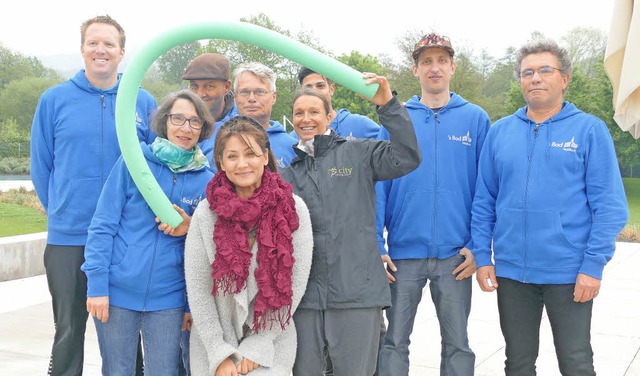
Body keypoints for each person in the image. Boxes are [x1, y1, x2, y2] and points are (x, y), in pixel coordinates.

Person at [471, 38, 629, 376]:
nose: (536, 78)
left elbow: (611, 206)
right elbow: (484, 202)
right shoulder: (500, 132)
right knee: (517, 362)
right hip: (513, 273)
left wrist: (592, 266)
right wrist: (483, 257)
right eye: (527, 72)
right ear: (520, 80)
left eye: (545, 70)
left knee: (575, 361)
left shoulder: (589, 130)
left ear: (565, 78)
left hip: (569, 273)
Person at [29, 14, 157, 376]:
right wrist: (62, 211)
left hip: (124, 238)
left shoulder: (142, 101)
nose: (101, 50)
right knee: (68, 329)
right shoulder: (54, 100)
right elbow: (41, 167)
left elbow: (153, 165)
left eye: (109, 44)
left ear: (122, 52)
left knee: (124, 335)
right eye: (93, 43)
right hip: (68, 239)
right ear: (83, 48)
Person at [282, 74, 421, 376]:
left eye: (314, 112)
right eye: (299, 113)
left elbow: (407, 156)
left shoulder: (359, 152)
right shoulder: (286, 176)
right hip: (305, 300)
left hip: (357, 294)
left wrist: (388, 105)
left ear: (330, 116)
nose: (306, 119)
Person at [376, 33, 490, 376]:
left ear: (453, 67)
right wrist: (375, 245)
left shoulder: (476, 119)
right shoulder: (397, 118)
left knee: (458, 345)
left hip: (456, 256)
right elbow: (378, 184)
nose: (434, 67)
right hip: (402, 256)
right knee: (394, 342)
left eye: (441, 61)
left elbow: (486, 189)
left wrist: (478, 247)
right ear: (415, 69)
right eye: (427, 61)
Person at [81, 89, 215, 375]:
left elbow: (206, 250)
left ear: (203, 129)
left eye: (194, 122)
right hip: (116, 295)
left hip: (169, 299)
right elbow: (103, 225)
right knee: (117, 370)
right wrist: (97, 286)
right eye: (178, 118)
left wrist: (191, 304)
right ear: (164, 121)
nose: (186, 128)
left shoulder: (208, 180)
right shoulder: (134, 163)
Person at [184, 115, 313, 375]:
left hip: (271, 339)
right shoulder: (206, 212)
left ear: (265, 157)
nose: (242, 164)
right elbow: (198, 288)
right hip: (215, 341)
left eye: (250, 154)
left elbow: (296, 283)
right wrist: (219, 352)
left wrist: (259, 343)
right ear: (220, 162)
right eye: (232, 156)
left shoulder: (293, 208)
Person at [233, 62, 297, 169]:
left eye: (260, 92)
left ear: (274, 97)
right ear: (235, 96)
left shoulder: (292, 147)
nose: (251, 98)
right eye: (244, 92)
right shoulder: (221, 141)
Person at [182, 52, 238, 172]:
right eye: (194, 86)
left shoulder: (241, 126)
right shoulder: (174, 122)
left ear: (227, 87)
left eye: (209, 86)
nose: (200, 94)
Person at [293, 66, 380, 140]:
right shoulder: (295, 136)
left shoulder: (360, 125)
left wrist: (387, 104)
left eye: (320, 86)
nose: (315, 91)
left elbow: (390, 152)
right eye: (308, 88)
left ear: (331, 89)